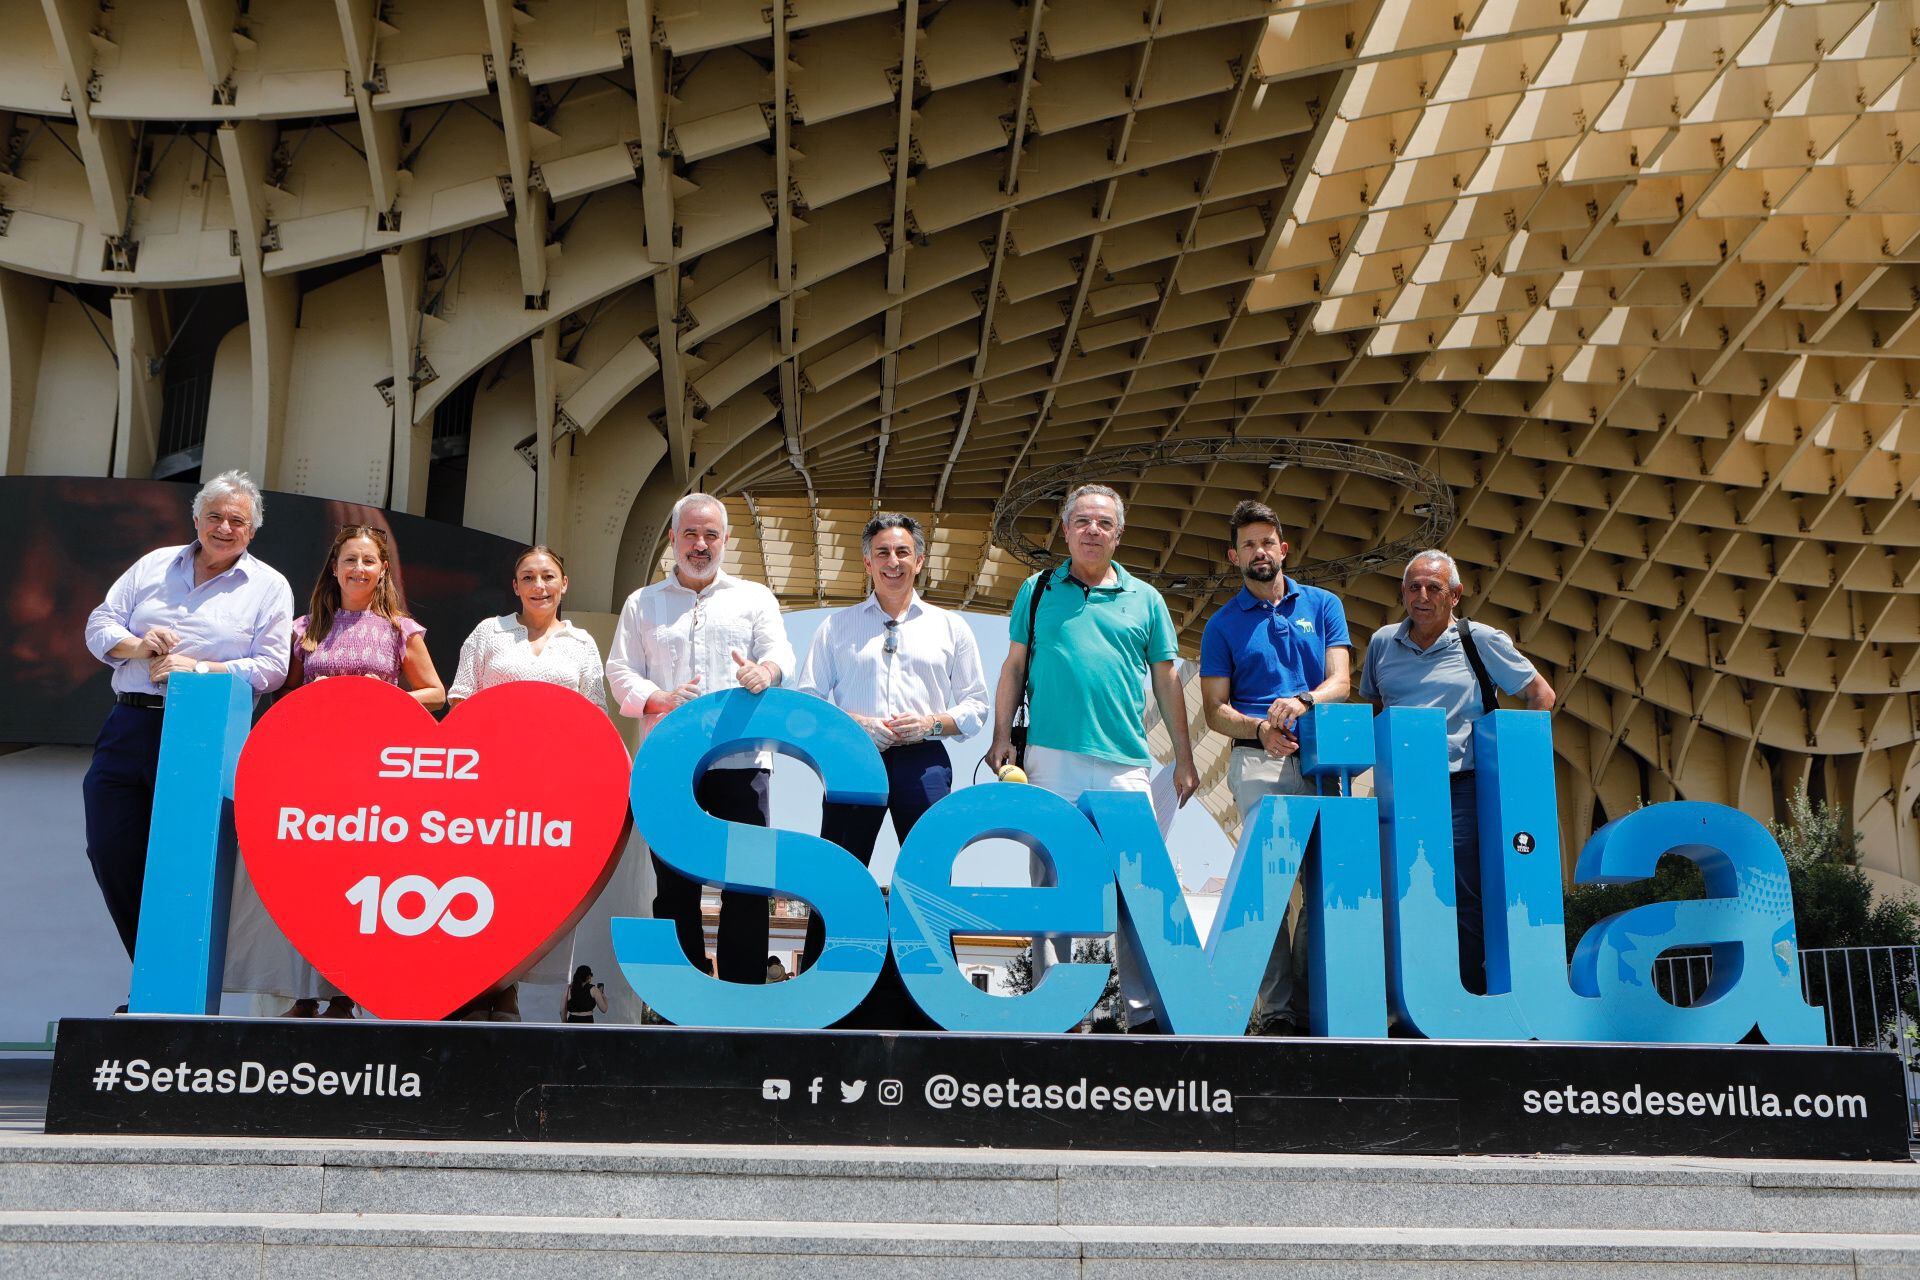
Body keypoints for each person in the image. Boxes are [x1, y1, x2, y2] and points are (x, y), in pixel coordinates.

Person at [986, 483, 1198, 1032]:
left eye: (1104, 523)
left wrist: (1183, 756)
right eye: (1082, 521)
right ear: (1065, 529)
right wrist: (1000, 735)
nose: (1092, 530)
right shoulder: (1035, 591)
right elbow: (1013, 668)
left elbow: (1168, 680)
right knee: (1050, 880)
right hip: (1050, 758)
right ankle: (1053, 1012)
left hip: (1126, 761)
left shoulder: (1146, 599)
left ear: (1119, 534)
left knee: (1138, 886)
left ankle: (1146, 1013)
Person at [229, 525, 447, 1019]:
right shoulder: (305, 629)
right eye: (350, 559)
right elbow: (282, 694)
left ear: (382, 569)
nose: (358, 569)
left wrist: (384, 699)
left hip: (374, 773)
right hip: (315, 770)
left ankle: (346, 995)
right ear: (334, 567)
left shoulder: (400, 630)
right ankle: (306, 995)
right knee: (313, 884)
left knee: (360, 882)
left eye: (369, 560)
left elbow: (436, 692)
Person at [82, 470, 294, 964]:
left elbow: (272, 668)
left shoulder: (268, 586)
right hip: (129, 722)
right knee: (109, 848)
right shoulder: (154, 564)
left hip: (203, 729)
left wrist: (197, 668)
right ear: (196, 518)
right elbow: (99, 623)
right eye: (215, 516)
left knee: (184, 860)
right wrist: (140, 645)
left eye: (237, 521)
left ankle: (165, 984)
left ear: (253, 531)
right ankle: (154, 966)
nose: (224, 528)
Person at [792, 513, 988, 1027]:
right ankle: (820, 993)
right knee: (836, 869)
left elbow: (975, 707)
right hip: (852, 758)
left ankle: (935, 996)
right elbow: (809, 698)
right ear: (867, 561)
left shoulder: (951, 626)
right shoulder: (836, 625)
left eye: (903, 552)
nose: (893, 562)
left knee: (929, 873)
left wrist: (931, 722)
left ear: (919, 560)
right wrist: (856, 723)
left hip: (922, 760)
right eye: (882, 552)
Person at [605, 493, 795, 986]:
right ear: (672, 538)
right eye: (690, 533)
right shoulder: (641, 602)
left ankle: (742, 996)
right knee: (673, 883)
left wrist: (764, 670)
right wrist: (657, 697)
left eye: (711, 534)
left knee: (748, 881)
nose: (700, 544)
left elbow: (781, 655)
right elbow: (620, 668)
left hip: (743, 760)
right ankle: (677, 997)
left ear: (726, 541)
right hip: (668, 761)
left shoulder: (755, 597)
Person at [1360, 548, 1555, 992]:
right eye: (1413, 587)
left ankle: (1469, 992)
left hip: (1462, 788)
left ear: (1455, 596)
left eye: (1434, 588)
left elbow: (1541, 695)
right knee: (1402, 889)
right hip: (1402, 791)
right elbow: (1375, 709)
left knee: (1465, 890)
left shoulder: (1479, 639)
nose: (1422, 596)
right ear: (1402, 593)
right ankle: (1411, 993)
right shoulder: (1381, 644)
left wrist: (1517, 766)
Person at [1198, 500, 1352, 1034]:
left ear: (1283, 548)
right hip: (1259, 761)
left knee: (1322, 883)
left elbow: (1342, 681)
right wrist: (1261, 728)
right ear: (1232, 556)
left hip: (1325, 758)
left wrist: (1305, 700)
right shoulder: (1222, 626)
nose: (1259, 551)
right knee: (1268, 889)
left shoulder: (1324, 604)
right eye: (1248, 544)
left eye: (1267, 541)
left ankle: (1311, 1004)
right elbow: (1215, 710)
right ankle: (1278, 1012)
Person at [446, 545, 611, 1019]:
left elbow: (593, 716)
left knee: (530, 888)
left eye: (548, 576)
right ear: (515, 586)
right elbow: (460, 701)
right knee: (480, 884)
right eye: (528, 577)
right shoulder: (489, 634)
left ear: (564, 585)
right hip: (488, 784)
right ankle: (474, 986)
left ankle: (510, 988)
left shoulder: (581, 645)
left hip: (551, 790)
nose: (539, 586)